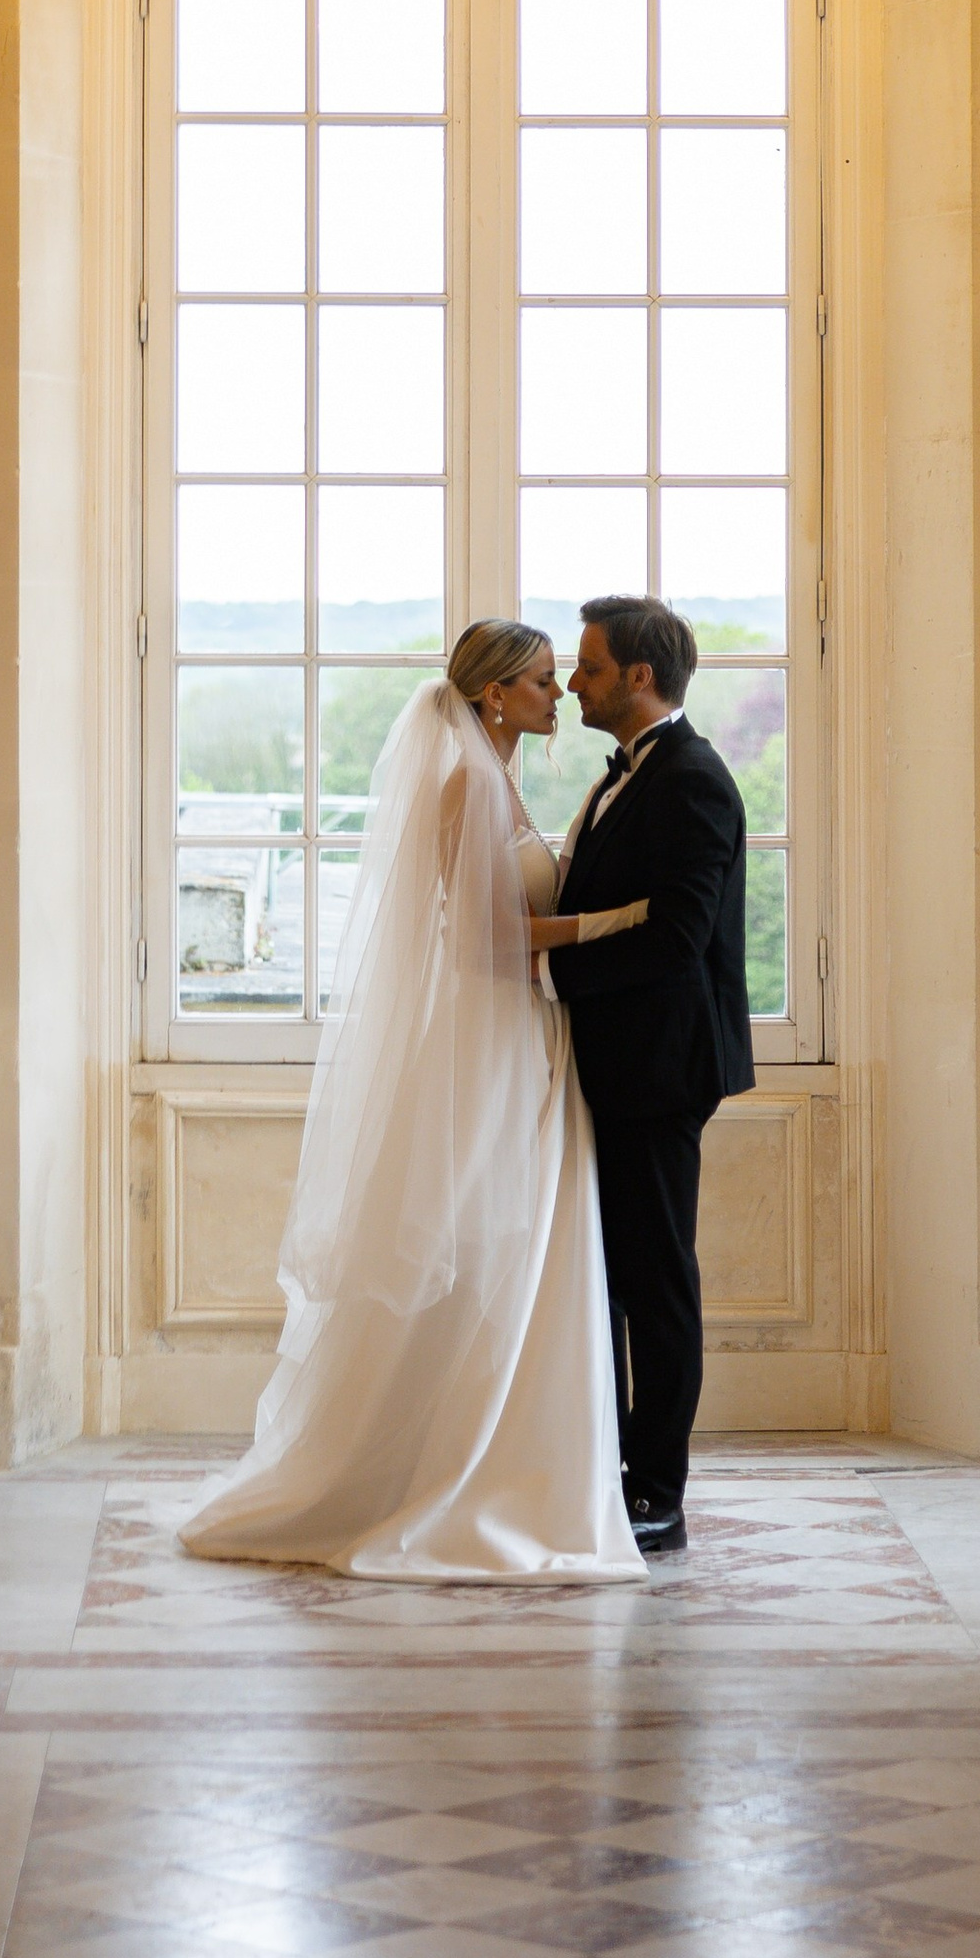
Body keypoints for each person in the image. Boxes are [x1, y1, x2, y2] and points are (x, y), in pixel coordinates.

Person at [178, 622, 647, 1581]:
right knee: (480, 1247)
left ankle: (524, 1459)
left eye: (562, 680)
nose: (558, 697)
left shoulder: (501, 781)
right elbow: (481, 941)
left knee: (522, 1251)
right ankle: (444, 1467)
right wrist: (612, 923)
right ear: (494, 697)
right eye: (543, 682)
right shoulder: (464, 785)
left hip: (528, 1033)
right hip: (490, 1039)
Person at [546, 596, 754, 1555]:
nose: (574, 684)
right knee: (616, 1279)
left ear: (638, 677)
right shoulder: (625, 778)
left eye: (588, 668)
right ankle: (613, 1467)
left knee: (658, 1279)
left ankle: (658, 1493)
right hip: (613, 1062)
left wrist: (548, 966)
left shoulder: (695, 780)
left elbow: (675, 937)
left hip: (662, 1070)